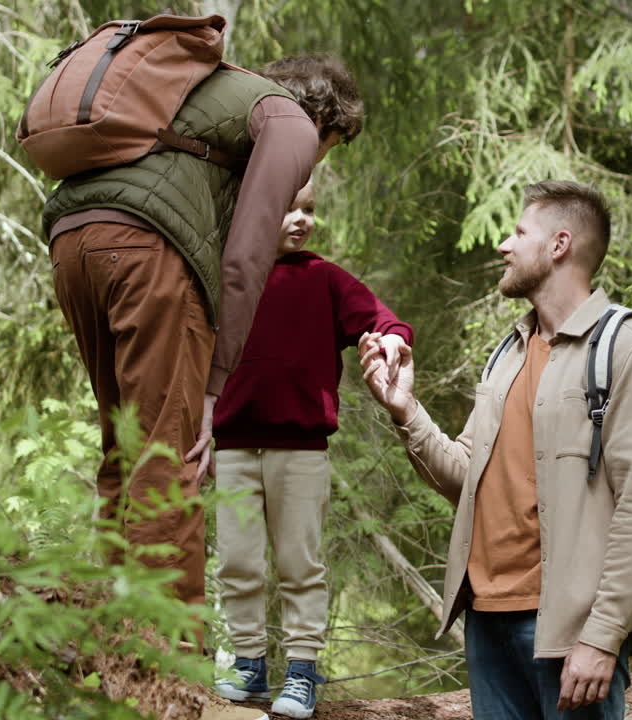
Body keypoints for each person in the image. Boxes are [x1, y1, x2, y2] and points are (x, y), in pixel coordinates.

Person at [44, 56, 363, 635]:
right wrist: (214, 388)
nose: (316, 162)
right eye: (330, 147)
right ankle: (169, 665)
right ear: (322, 120)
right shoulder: (289, 121)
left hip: (71, 241)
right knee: (171, 456)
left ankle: (117, 643)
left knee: (127, 445)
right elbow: (246, 260)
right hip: (145, 249)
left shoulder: (201, 96)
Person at [359, 181, 632, 719]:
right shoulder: (507, 355)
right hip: (487, 622)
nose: (504, 245)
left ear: (559, 245)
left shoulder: (628, 349)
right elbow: (467, 475)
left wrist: (602, 636)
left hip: (570, 631)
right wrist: (406, 410)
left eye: (519, 233)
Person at [209, 179, 413, 719]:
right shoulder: (228, 279)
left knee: (300, 564)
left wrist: (391, 337)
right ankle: (249, 665)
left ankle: (301, 671)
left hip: (300, 450)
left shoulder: (324, 279)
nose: (302, 219)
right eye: (289, 208)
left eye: (309, 209)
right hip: (232, 448)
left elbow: (380, 318)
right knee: (237, 562)